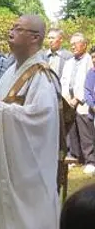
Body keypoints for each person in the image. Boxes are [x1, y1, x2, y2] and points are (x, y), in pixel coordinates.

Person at [0, 15, 61, 229]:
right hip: (4, 160)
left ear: (35, 37)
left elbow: (41, 118)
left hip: (27, 169)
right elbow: (4, 99)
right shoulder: (12, 71)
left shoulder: (42, 76)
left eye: (18, 29)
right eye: (12, 27)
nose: (10, 32)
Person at [60, 33, 95, 174]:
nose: (72, 46)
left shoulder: (89, 60)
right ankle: (74, 156)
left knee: (86, 131)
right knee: (71, 130)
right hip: (69, 101)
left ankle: (90, 160)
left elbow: (87, 84)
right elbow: (63, 81)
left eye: (76, 43)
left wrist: (77, 98)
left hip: (82, 102)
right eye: (71, 43)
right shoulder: (69, 62)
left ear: (84, 44)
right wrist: (66, 97)